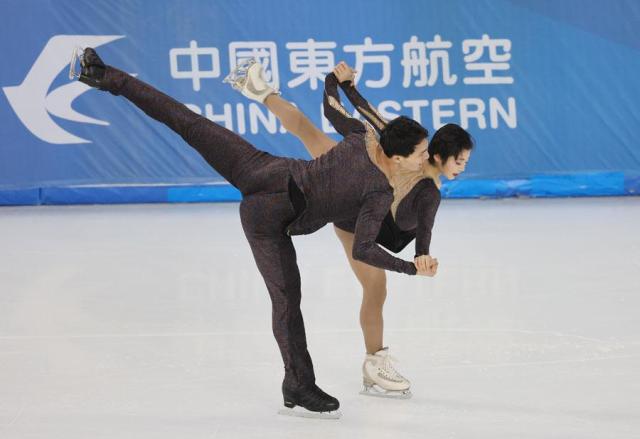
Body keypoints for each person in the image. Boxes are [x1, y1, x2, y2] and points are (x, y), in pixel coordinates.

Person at [71, 48, 434, 419]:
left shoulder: (361, 135)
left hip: (264, 182)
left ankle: (105, 75)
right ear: (401, 157)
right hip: (268, 206)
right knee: (286, 302)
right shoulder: (378, 192)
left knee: (189, 123)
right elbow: (364, 248)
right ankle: (299, 384)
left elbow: (328, 104)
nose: (426, 158)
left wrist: (336, 80)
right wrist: (411, 268)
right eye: (422, 153)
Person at [226, 59, 473, 398]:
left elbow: (422, 233)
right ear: (437, 155)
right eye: (459, 160)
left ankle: (374, 362)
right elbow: (367, 116)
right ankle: (374, 362)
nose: (463, 167)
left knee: (376, 288)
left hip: (358, 217)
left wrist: (423, 257)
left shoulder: (428, 189)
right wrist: (343, 84)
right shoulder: (408, 157)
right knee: (310, 132)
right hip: (349, 196)